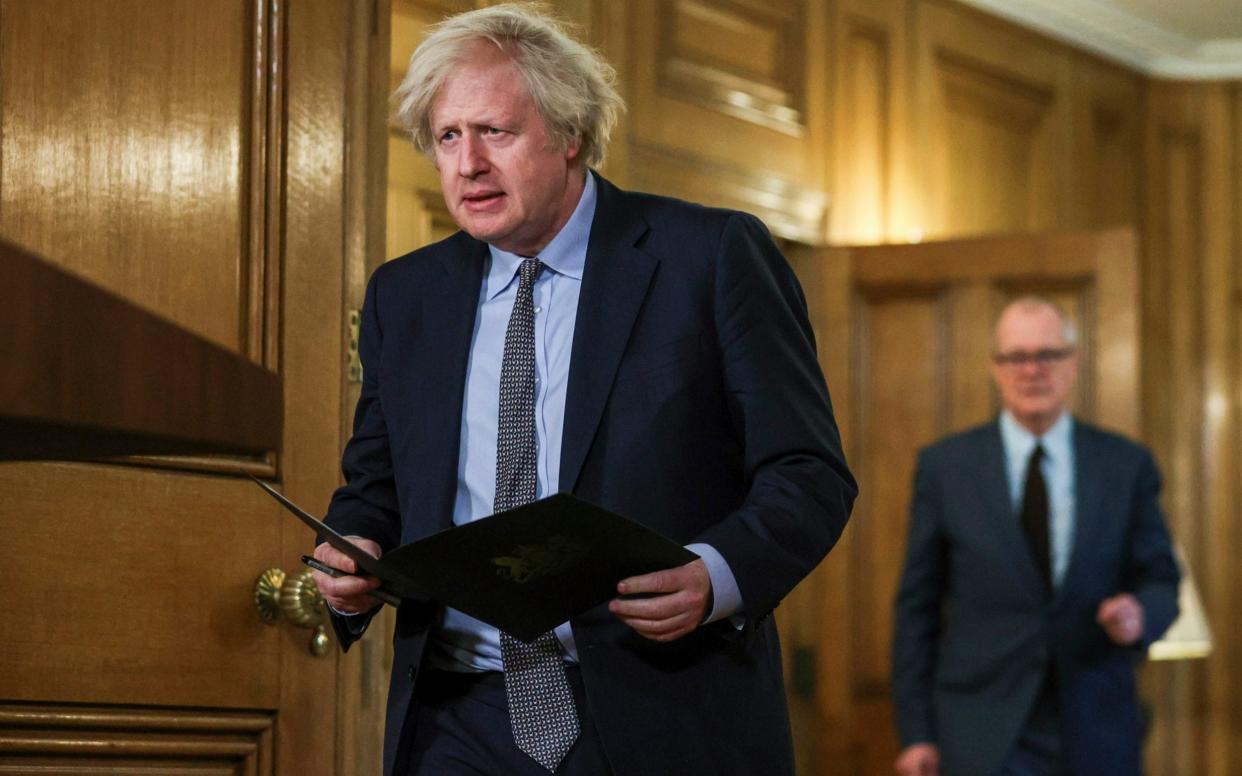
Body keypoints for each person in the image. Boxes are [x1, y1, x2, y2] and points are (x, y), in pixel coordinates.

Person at [310, 5, 856, 775]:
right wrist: (353, 550)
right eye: (447, 137)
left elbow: (809, 474)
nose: (467, 164)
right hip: (456, 717)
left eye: (495, 132)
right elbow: (376, 485)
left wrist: (715, 574)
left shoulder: (709, 258)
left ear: (570, 135)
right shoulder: (406, 295)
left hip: (660, 708)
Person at [891, 296, 1181, 776]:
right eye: (1016, 357)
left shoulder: (1126, 465)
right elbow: (916, 608)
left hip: (1096, 721)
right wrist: (916, 732)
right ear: (995, 367)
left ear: (1073, 363)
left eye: (1048, 354)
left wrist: (1139, 614)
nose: (1032, 370)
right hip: (980, 727)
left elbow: (1162, 580)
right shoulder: (945, 468)